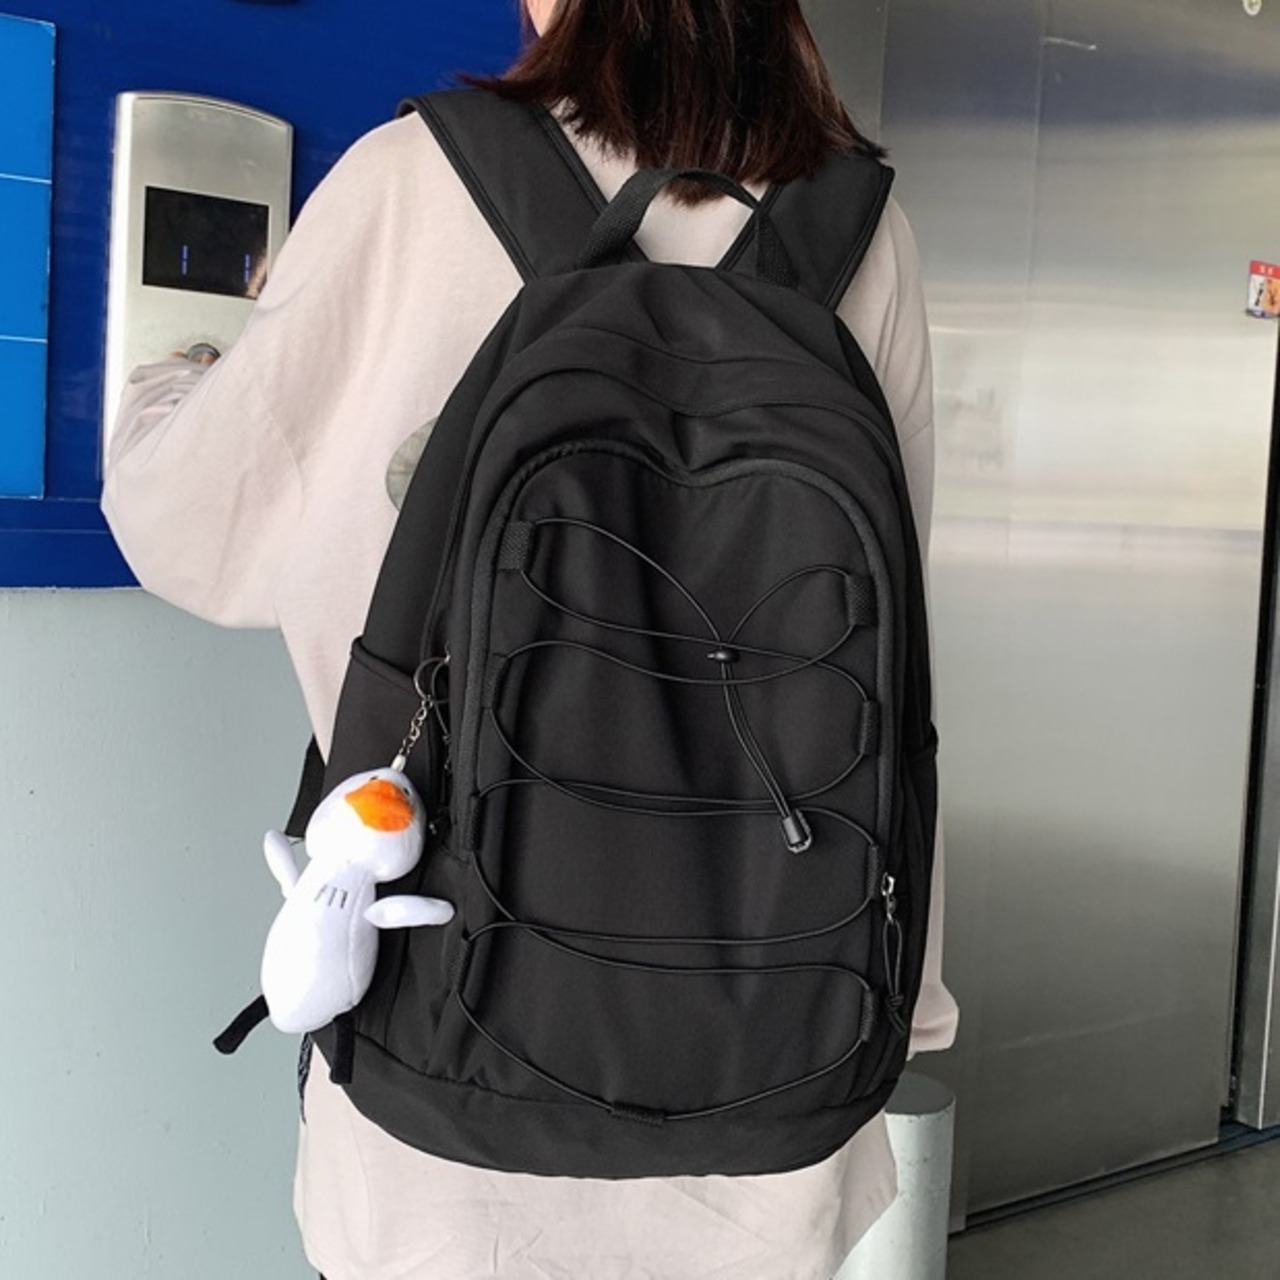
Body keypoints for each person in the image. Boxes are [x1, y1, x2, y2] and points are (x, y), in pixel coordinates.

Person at [103, 0, 958, 1275]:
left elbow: (192, 532)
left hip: (453, 1075)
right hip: (781, 1060)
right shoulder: (863, 227)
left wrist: (169, 378)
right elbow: (891, 650)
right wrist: (913, 998)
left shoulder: (413, 180)